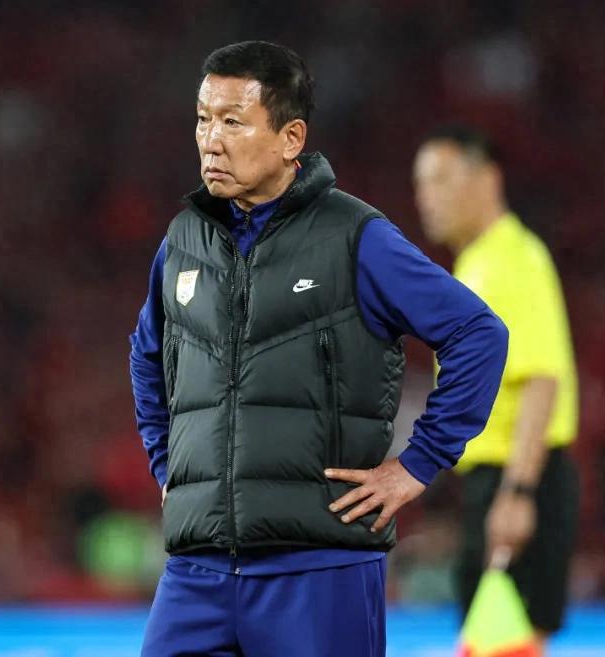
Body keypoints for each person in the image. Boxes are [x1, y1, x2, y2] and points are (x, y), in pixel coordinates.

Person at [129, 41, 509, 657]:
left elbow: (479, 334)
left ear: (291, 138)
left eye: (233, 122)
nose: (210, 141)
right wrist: (166, 466)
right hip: (197, 571)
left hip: (319, 566)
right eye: (202, 119)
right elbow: (147, 354)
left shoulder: (356, 238)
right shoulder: (183, 240)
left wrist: (418, 464)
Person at [412, 125, 580, 647]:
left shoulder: (514, 260)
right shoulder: (476, 264)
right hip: (495, 479)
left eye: (441, 179)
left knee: (504, 644)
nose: (427, 197)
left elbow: (541, 381)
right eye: (421, 183)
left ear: (487, 180)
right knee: (494, 642)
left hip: (519, 476)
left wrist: (517, 493)